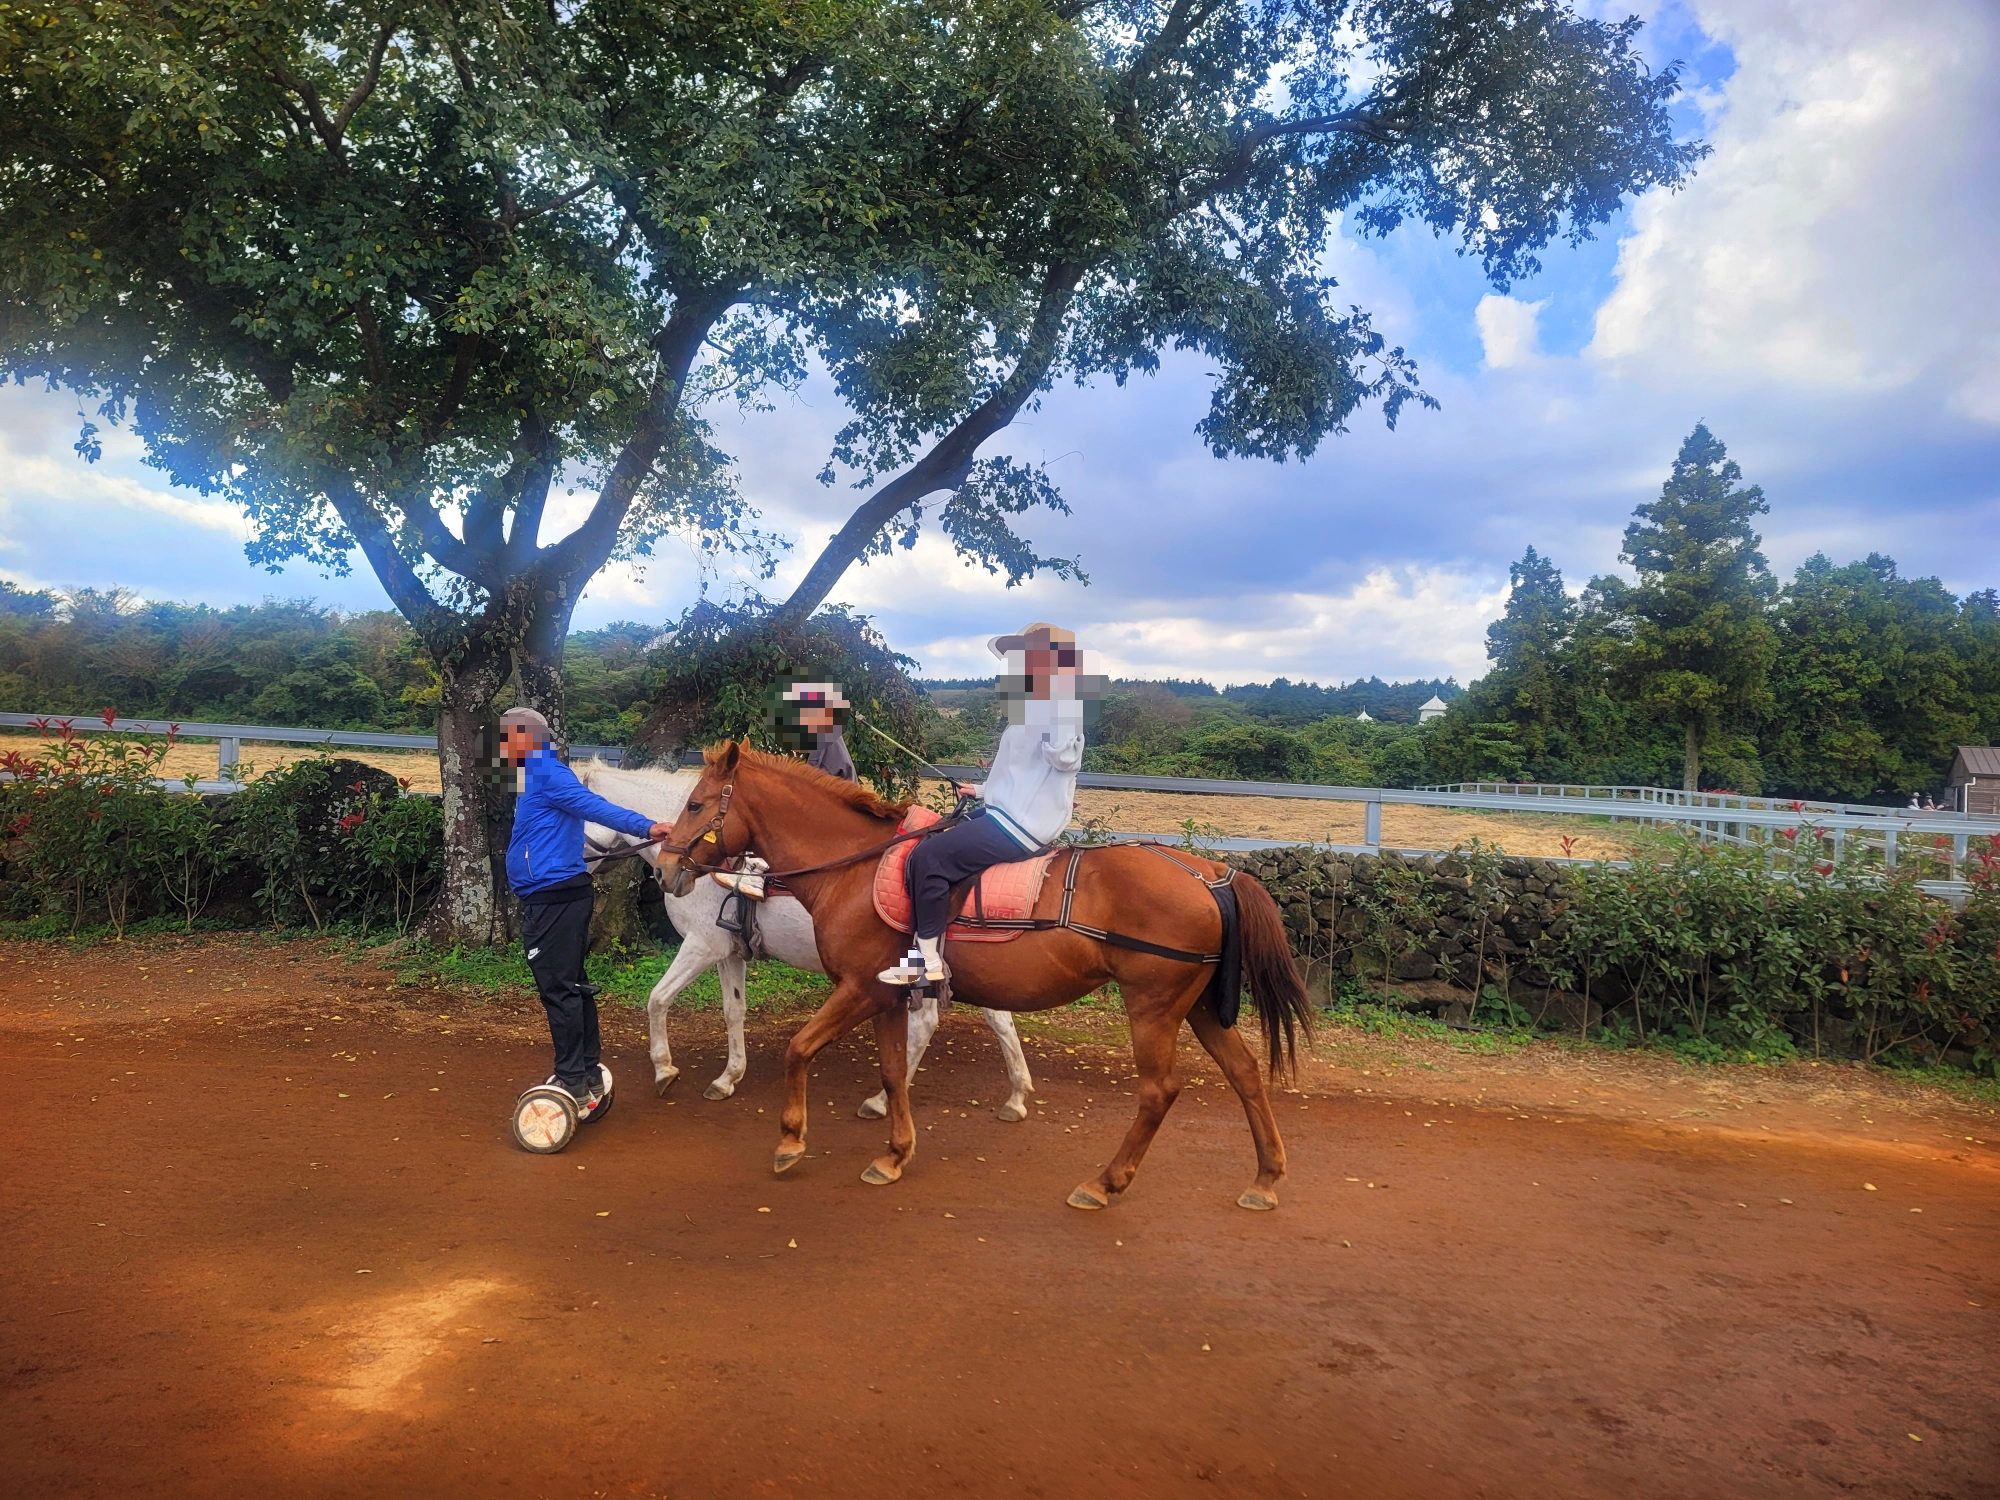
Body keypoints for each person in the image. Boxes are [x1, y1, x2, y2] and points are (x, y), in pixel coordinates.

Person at [891, 623, 1098, 985]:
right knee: (928, 842)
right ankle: (926, 953)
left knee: (929, 858)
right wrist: (981, 790)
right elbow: (1021, 773)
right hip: (1003, 814)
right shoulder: (1034, 708)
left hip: (1019, 825)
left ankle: (926, 963)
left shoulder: (1060, 705)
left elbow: (1066, 760)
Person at [499, 706, 676, 1114]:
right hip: (555, 895)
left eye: (507, 737)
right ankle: (586, 1072)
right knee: (572, 987)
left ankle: (573, 1079)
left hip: (554, 898)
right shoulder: (535, 776)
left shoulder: (547, 773)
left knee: (559, 990)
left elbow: (594, 806)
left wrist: (647, 827)